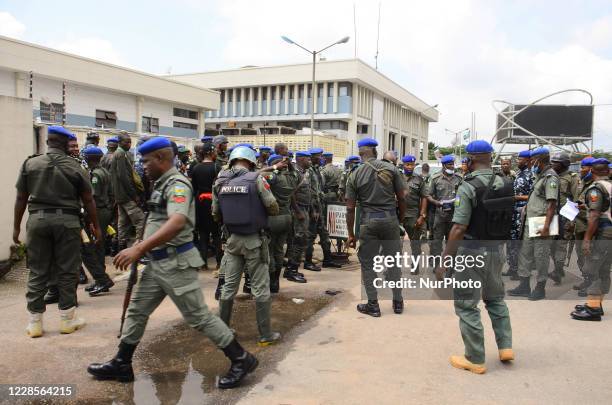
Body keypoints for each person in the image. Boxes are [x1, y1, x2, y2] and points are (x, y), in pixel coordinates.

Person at [87, 137, 258, 388]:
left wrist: (138, 248)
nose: (142, 165)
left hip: (175, 262)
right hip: (157, 263)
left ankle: (241, 358)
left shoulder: (177, 183)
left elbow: (177, 221)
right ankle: (122, 362)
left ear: (161, 158)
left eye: (145, 161)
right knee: (137, 311)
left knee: (198, 317)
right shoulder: (161, 183)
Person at [435, 139, 514, 374]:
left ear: (470, 160)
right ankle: (505, 347)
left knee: (467, 304)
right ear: (490, 157)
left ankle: (475, 358)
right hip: (496, 250)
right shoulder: (506, 182)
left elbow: (459, 228)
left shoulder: (468, 186)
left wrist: (444, 260)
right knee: (496, 299)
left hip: (472, 252)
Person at [14, 126, 101, 338]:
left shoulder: (30, 163)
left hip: (37, 221)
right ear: (64, 144)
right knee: (67, 270)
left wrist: (16, 227)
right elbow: (88, 199)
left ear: (48, 142)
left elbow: (21, 198)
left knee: (37, 270)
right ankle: (67, 320)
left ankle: (35, 323)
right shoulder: (75, 166)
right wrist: (96, 226)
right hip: (68, 222)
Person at [213, 146, 282, 346]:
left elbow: (216, 213)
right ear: (251, 162)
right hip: (254, 241)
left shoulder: (219, 181)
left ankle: (223, 332)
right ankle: (265, 335)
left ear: (232, 161)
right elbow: (273, 207)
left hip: (232, 241)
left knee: (228, 289)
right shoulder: (256, 179)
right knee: (261, 289)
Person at [346, 138, 408, 317]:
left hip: (368, 223)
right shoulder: (391, 168)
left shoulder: (355, 174)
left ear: (360, 153)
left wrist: (351, 234)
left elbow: (350, 208)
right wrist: (400, 220)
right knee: (393, 262)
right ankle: (398, 302)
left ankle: (373, 305)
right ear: (375, 151)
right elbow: (403, 198)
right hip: (390, 220)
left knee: (368, 264)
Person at [508, 147, 559, 300]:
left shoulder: (551, 177)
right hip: (531, 220)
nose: (530, 163)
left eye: (532, 160)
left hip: (543, 222)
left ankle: (540, 287)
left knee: (541, 256)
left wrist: (546, 227)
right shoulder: (539, 175)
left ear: (538, 160)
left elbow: (551, 204)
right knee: (526, 253)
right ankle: (524, 286)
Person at [571, 158, 612, 321]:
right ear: (608, 171)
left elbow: (595, 216)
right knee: (604, 268)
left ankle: (592, 310)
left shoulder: (595, 189)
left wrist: (587, 239)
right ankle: (597, 304)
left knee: (592, 268)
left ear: (592, 172)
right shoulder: (609, 186)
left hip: (603, 232)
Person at [81, 146, 116, 297]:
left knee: (96, 246)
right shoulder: (105, 172)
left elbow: (93, 198)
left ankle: (102, 280)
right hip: (105, 210)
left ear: (89, 158)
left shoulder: (95, 174)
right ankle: (100, 278)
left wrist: (90, 218)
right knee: (99, 245)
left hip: (98, 211)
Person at [262, 154, 298, 292]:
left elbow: (256, 175)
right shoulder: (292, 177)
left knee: (269, 250)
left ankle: (272, 281)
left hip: (273, 218)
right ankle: (277, 281)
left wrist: (273, 167)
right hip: (287, 217)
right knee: (279, 250)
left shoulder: (274, 177)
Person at [305, 148, 342, 270]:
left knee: (325, 236)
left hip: (320, 207)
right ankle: (308, 262)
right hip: (313, 209)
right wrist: (313, 210)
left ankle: (328, 259)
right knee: (310, 236)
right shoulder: (309, 172)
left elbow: (319, 190)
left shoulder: (318, 171)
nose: (322, 158)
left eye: (322, 156)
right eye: (319, 156)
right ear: (313, 157)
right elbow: (308, 192)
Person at [191, 142, 223, 270]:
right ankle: (219, 263)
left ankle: (203, 263)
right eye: (214, 151)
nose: (216, 153)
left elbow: (194, 189)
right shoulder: (217, 167)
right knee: (216, 234)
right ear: (210, 152)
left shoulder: (196, 168)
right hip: (214, 202)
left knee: (203, 234)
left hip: (200, 204)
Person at [549, 151, 579, 284]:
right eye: (553, 161)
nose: (553, 164)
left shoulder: (572, 178)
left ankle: (557, 272)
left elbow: (576, 200)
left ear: (564, 164)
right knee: (551, 246)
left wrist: (572, 220)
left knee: (560, 246)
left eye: (556, 162)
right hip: (551, 216)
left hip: (565, 217)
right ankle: (558, 269)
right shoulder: (550, 176)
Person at [110, 133, 145, 250]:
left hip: (120, 195)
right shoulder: (120, 154)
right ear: (120, 142)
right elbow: (123, 177)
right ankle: (139, 248)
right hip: (126, 195)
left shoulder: (120, 153)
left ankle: (120, 247)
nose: (129, 144)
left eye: (130, 142)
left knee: (123, 223)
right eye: (126, 142)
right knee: (141, 220)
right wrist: (134, 195)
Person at [502, 150, 533, 280]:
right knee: (511, 242)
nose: (517, 161)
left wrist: (516, 197)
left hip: (523, 214)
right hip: (513, 214)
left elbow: (533, 196)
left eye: (520, 159)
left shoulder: (531, 175)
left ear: (528, 160)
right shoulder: (519, 174)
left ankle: (521, 271)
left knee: (521, 244)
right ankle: (512, 267)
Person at [426, 155, 463, 258]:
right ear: (443, 165)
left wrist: (457, 202)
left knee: (452, 241)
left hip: (454, 215)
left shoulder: (459, 178)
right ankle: (436, 263)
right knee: (437, 241)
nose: (452, 166)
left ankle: (450, 265)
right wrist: (436, 202)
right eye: (449, 164)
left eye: (453, 164)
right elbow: (428, 195)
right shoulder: (435, 178)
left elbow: (462, 194)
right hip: (440, 215)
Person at [284, 151, 312, 283]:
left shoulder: (303, 173)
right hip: (298, 210)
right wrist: (298, 211)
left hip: (304, 209)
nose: (310, 161)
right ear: (301, 159)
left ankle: (291, 269)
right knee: (299, 240)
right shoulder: (295, 173)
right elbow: (291, 193)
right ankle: (291, 270)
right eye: (308, 159)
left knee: (301, 240)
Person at [401, 154, 428, 274]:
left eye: (412, 165)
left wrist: (422, 215)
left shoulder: (419, 179)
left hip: (413, 215)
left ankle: (415, 266)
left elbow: (424, 198)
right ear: (403, 165)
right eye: (407, 164)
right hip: (398, 215)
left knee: (415, 244)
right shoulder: (397, 178)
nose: (410, 167)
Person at [573, 157, 595, 294]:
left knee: (590, 257)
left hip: (589, 227)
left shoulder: (596, 186)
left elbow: (596, 210)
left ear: (591, 169)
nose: (581, 170)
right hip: (579, 225)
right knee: (580, 255)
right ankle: (586, 280)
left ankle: (592, 284)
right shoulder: (582, 183)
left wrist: (582, 208)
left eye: (583, 167)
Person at [321, 152, 344, 250]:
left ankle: (325, 240)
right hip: (337, 195)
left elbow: (321, 185)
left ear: (325, 159)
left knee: (325, 220)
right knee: (335, 219)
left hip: (326, 196)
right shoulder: (338, 170)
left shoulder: (324, 170)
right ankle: (339, 242)